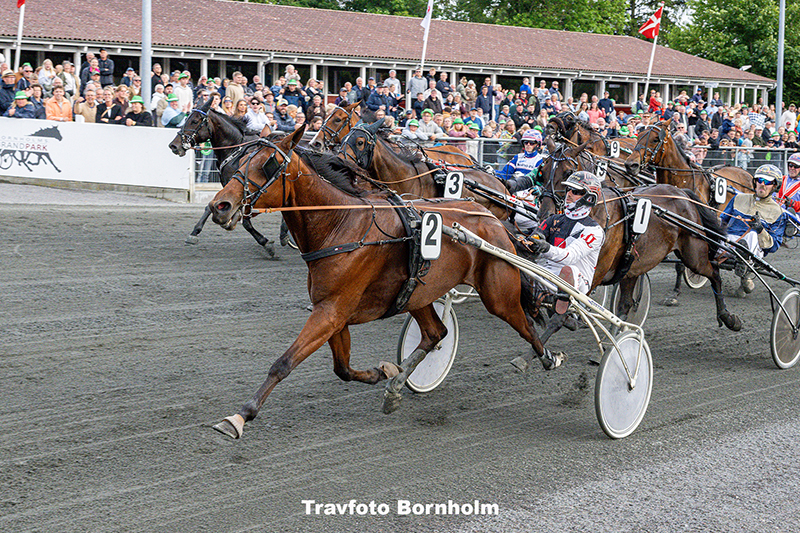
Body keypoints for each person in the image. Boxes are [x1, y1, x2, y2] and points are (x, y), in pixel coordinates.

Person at [522, 171, 605, 370]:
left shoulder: (594, 230)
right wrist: (529, 242)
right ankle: (563, 313)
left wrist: (546, 248)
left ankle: (562, 310)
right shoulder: (553, 220)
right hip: (543, 275)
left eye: (575, 192)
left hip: (576, 281)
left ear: (589, 197)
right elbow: (536, 237)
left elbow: (570, 256)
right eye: (568, 190)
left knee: (567, 270)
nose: (568, 194)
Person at [720, 164, 788, 294]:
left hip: (755, 249)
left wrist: (760, 230)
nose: (762, 184)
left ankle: (744, 262)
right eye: (759, 180)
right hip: (729, 242)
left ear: (774, 186)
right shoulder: (738, 198)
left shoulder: (779, 213)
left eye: (767, 182)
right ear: (755, 182)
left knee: (751, 235)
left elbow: (773, 246)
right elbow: (723, 221)